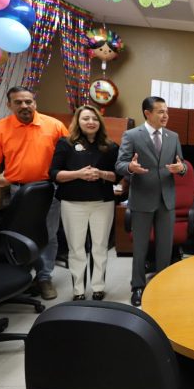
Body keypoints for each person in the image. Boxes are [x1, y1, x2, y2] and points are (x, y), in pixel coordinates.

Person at [0, 86, 68, 300]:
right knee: (21, 234)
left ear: (34, 103)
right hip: (19, 190)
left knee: (49, 234)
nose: (24, 105)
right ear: (9, 105)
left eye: (28, 101)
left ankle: (44, 277)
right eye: (18, 102)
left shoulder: (55, 126)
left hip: (49, 189)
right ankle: (23, 276)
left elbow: (68, 156)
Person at [116, 96, 186, 306]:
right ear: (147, 113)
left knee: (165, 247)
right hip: (142, 198)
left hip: (166, 200)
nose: (165, 115)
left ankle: (161, 285)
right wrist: (130, 168)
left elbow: (181, 165)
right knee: (140, 247)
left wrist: (181, 168)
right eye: (160, 111)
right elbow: (120, 164)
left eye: (166, 112)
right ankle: (137, 286)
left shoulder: (173, 136)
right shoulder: (131, 135)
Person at [50, 105, 119, 301]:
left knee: (100, 247)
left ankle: (98, 287)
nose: (90, 122)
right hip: (73, 204)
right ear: (78, 122)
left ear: (100, 122)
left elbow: (118, 176)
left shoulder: (110, 146)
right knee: (76, 248)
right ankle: (78, 290)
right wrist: (79, 174)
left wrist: (101, 174)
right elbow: (54, 174)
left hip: (102, 204)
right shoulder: (65, 144)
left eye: (94, 119)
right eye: (86, 118)